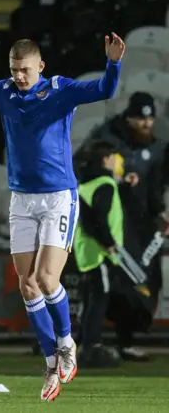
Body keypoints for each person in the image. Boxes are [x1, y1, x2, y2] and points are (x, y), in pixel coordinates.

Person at [0, 20, 125, 401]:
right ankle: (50, 364)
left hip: (58, 196)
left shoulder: (61, 90)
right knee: (26, 284)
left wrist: (112, 64)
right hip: (22, 199)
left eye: (25, 69)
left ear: (41, 66)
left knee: (47, 280)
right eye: (14, 69)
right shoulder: (4, 92)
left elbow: (105, 89)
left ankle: (66, 342)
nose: (19, 76)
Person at [78, 92, 169, 361]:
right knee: (102, 287)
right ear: (128, 118)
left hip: (141, 227)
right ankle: (86, 341)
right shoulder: (106, 138)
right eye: (141, 119)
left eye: (150, 118)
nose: (146, 124)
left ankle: (123, 340)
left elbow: (157, 185)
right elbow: (84, 168)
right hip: (111, 225)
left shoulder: (158, 148)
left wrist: (160, 213)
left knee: (139, 282)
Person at [73, 141, 130, 368]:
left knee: (89, 299)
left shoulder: (87, 185)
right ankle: (92, 346)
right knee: (99, 299)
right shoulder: (105, 184)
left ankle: (82, 343)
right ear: (106, 160)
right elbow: (97, 220)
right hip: (99, 253)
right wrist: (108, 243)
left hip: (86, 251)